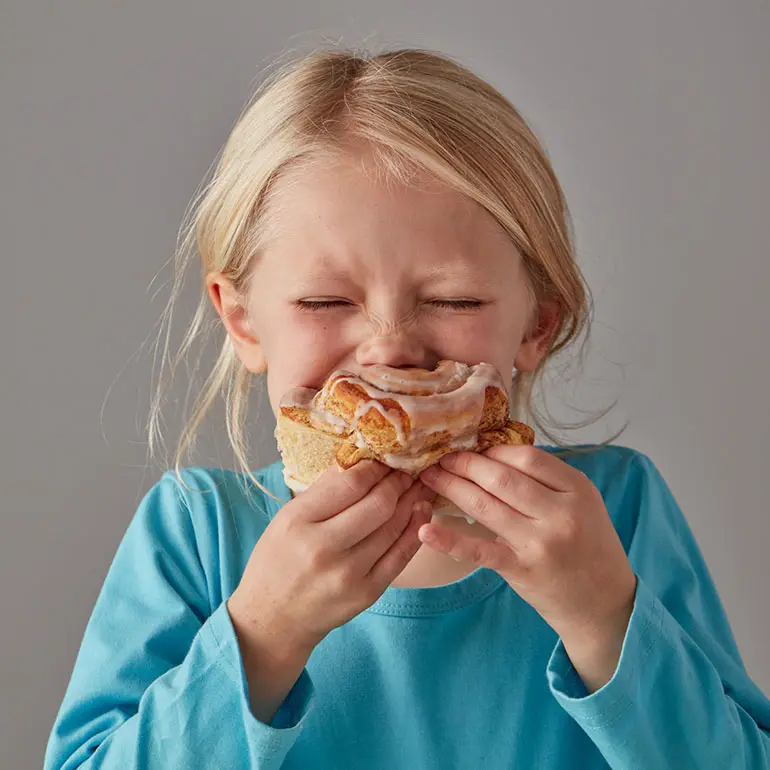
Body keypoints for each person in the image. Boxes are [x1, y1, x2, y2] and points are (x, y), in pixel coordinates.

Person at [44, 46, 770, 769]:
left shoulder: (616, 512)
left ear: (537, 324)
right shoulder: (199, 533)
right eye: (325, 302)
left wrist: (606, 618)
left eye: (453, 301)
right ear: (242, 320)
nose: (390, 350)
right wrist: (263, 639)